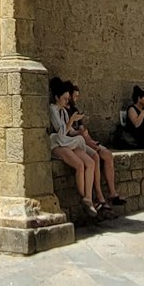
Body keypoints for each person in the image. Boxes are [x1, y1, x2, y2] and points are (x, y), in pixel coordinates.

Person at [49, 79, 103, 217]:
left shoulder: (64, 112)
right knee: (79, 165)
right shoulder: (53, 109)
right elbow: (60, 131)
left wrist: (79, 132)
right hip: (57, 142)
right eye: (65, 98)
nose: (67, 101)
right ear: (57, 97)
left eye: (68, 98)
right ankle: (85, 198)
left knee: (90, 162)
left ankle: (88, 198)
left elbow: (69, 131)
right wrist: (72, 121)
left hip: (67, 141)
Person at [66, 84, 126, 207]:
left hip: (85, 141)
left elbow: (83, 130)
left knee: (107, 155)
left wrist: (91, 141)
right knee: (95, 157)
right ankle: (99, 195)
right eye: (75, 96)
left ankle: (112, 193)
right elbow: (71, 132)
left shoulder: (75, 110)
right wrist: (88, 141)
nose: (76, 99)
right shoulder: (64, 111)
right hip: (76, 143)